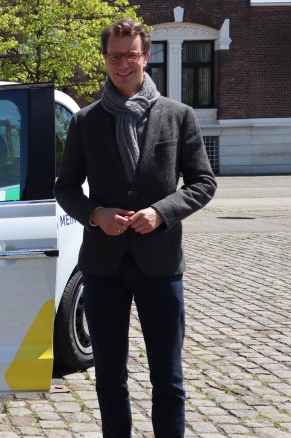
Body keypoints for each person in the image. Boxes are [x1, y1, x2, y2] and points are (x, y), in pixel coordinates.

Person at [54, 18, 216, 437]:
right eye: (114, 56)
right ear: (105, 58)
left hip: (159, 263)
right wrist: (95, 215)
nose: (122, 64)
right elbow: (66, 187)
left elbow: (203, 183)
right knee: (109, 376)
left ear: (146, 56)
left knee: (169, 376)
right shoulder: (85, 121)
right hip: (103, 266)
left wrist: (162, 212)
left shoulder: (178, 116)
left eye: (131, 55)